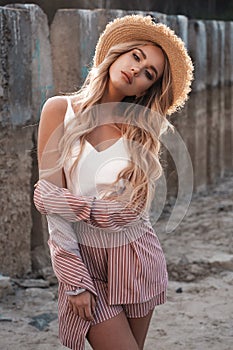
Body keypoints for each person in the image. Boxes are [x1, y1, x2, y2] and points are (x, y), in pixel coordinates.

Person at [34, 14, 193, 350]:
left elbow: (127, 212)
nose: (137, 70)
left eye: (149, 73)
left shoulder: (140, 134)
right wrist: (74, 280)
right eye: (136, 56)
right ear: (118, 53)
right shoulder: (59, 110)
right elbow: (53, 211)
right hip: (84, 259)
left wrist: (63, 202)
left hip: (137, 259)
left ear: (148, 88)